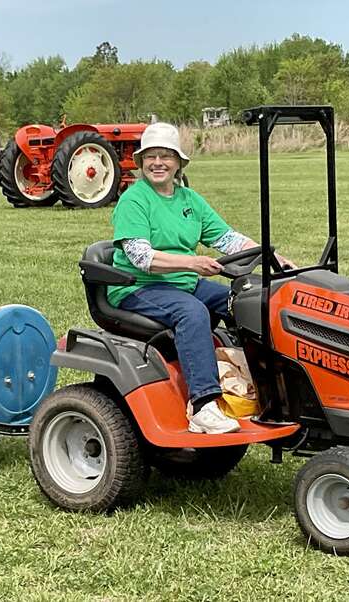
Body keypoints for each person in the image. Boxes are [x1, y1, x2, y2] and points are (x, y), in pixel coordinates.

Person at [108, 122, 296, 435]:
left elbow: (227, 239)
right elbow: (142, 258)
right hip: (138, 286)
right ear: (140, 162)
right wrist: (192, 263)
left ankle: (268, 385)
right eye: (151, 156)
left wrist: (270, 256)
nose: (158, 163)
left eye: (166, 156)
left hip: (183, 282)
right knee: (192, 312)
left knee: (249, 301)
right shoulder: (134, 200)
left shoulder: (190, 200)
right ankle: (203, 405)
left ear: (178, 162)